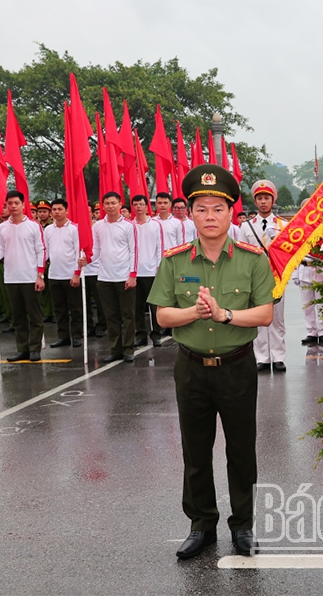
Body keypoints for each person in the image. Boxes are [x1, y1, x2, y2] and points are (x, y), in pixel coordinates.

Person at [148, 164, 274, 560]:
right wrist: (197, 314)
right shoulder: (175, 261)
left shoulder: (252, 259)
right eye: (201, 209)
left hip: (237, 366)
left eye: (217, 209)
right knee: (195, 451)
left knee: (241, 450)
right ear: (191, 213)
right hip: (191, 368)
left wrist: (225, 316)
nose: (209, 217)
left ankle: (243, 526)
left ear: (230, 212)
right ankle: (201, 525)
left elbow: (265, 313)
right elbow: (163, 316)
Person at [240, 180, 287, 372]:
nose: (263, 202)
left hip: (277, 277)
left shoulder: (283, 225)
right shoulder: (246, 227)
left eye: (267, 198)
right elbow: (242, 253)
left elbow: (287, 252)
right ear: (255, 201)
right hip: (256, 278)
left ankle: (278, 356)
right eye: (259, 198)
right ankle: (262, 357)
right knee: (259, 318)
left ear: (273, 200)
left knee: (277, 319)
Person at [0, 190, 46, 362]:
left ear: (23, 205)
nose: (13, 206)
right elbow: (1, 248)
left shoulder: (33, 226)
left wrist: (40, 275)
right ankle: (22, 348)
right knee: (18, 317)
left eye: (16, 203)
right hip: (11, 277)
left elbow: (41, 250)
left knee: (35, 316)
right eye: (10, 203)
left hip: (30, 277)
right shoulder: (3, 227)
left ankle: (35, 348)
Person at [92, 192, 138, 363]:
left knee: (127, 315)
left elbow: (134, 250)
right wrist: (87, 259)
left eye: (113, 203)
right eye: (107, 203)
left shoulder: (128, 226)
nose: (110, 206)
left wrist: (132, 275)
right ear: (102, 206)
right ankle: (115, 348)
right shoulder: (97, 226)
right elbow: (96, 250)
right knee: (111, 316)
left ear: (120, 204)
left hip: (124, 276)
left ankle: (128, 349)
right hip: (104, 277)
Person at [43, 199, 83, 348]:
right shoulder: (48, 229)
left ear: (66, 210)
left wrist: (76, 273)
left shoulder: (74, 229)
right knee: (59, 309)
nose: (56, 212)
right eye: (54, 209)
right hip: (54, 274)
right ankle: (63, 336)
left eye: (60, 209)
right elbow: (45, 251)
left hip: (71, 274)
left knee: (75, 308)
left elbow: (78, 252)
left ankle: (77, 335)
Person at [295, 199, 323, 346]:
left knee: (322, 303)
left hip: (319, 269)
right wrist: (296, 273)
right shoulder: (298, 229)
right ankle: (311, 331)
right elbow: (295, 254)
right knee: (307, 304)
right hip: (304, 268)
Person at [132, 194, 164, 347]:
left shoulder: (155, 225)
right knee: (136, 307)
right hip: (134, 272)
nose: (138, 207)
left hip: (151, 271)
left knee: (153, 305)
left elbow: (160, 247)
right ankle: (140, 335)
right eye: (136, 204)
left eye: (141, 204)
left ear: (146, 206)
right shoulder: (130, 225)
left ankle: (156, 334)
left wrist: (159, 266)